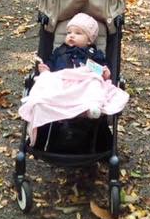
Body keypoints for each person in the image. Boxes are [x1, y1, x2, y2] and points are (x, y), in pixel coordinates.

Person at [18, 13, 129, 145]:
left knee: (95, 82)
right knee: (45, 80)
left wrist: (105, 72)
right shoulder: (59, 51)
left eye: (78, 33)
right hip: (63, 84)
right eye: (69, 32)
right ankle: (42, 103)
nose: (71, 35)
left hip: (83, 84)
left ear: (89, 40)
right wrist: (46, 70)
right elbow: (51, 65)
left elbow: (103, 70)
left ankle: (93, 105)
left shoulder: (93, 54)